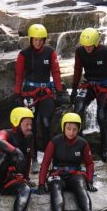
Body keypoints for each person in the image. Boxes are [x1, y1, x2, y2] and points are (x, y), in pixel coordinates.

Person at [35, 112, 97, 211]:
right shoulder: (54, 142)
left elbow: (89, 164)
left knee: (81, 186)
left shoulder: (82, 143)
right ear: (64, 127)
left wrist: (89, 181)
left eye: (75, 129)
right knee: (55, 187)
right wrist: (41, 184)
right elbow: (45, 164)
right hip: (57, 174)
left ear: (78, 129)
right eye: (68, 128)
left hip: (75, 174)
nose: (71, 132)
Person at [70, 27, 107, 163]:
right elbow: (77, 69)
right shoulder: (80, 52)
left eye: (90, 46)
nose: (87, 49)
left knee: (101, 116)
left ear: (96, 43)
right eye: (85, 46)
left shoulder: (106, 51)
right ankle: (79, 147)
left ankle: (105, 149)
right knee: (78, 111)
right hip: (87, 85)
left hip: (103, 86)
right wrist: (74, 89)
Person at [14, 23, 68, 153]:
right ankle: (32, 157)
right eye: (35, 40)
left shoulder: (50, 53)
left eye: (41, 40)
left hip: (45, 92)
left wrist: (59, 91)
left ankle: (46, 155)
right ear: (31, 39)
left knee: (45, 123)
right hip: (29, 93)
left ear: (44, 40)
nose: (38, 43)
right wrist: (17, 94)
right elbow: (19, 75)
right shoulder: (24, 54)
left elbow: (55, 72)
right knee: (29, 126)